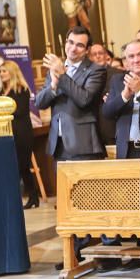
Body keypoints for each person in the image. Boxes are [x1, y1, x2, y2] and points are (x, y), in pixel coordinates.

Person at [36, 26, 107, 258]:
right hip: (59, 143)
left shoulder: (95, 70)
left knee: (88, 199)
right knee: (66, 202)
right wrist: (55, 84)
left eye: (79, 45)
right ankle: (74, 251)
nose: (72, 48)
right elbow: (40, 102)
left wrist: (63, 76)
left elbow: (84, 99)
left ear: (86, 50)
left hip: (83, 142)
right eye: (70, 42)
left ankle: (95, 248)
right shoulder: (55, 71)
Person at [0, 60, 39, 209]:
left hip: (22, 133)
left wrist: (3, 110)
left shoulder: (21, 90)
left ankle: (32, 196)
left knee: (22, 166)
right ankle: (26, 197)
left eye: (4, 71)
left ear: (12, 72)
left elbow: (20, 111)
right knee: (12, 167)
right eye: (0, 71)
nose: (1, 74)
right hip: (7, 134)